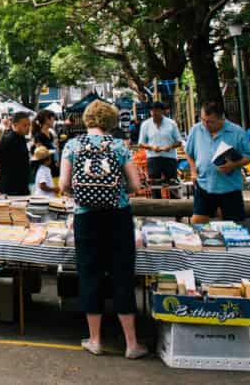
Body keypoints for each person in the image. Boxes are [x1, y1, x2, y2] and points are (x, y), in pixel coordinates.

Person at [59, 100, 147, 360]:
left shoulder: (73, 146)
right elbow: (135, 184)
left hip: (86, 218)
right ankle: (132, 344)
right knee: (122, 274)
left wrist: (85, 194)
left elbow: (64, 184)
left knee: (89, 273)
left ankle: (95, 340)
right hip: (117, 216)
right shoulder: (119, 146)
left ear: (86, 119)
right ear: (111, 121)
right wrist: (115, 191)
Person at [186, 101, 250, 223]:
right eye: (202, 119)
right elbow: (189, 153)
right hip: (204, 184)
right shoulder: (196, 130)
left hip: (230, 186)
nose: (205, 124)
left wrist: (234, 165)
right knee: (197, 221)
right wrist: (193, 171)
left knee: (235, 225)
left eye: (209, 121)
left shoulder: (237, 132)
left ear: (221, 118)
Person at [138, 102, 184, 199]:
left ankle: (176, 209)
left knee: (172, 185)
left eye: (157, 112)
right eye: (152, 112)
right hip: (153, 158)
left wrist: (169, 147)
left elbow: (179, 142)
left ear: (162, 111)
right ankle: (157, 208)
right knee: (155, 186)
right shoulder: (146, 125)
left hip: (169, 158)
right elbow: (141, 143)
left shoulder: (171, 123)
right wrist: (152, 147)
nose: (154, 114)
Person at [0, 112, 32, 196]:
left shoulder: (21, 137)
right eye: (25, 125)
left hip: (21, 185)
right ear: (16, 125)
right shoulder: (9, 138)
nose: (28, 127)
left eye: (29, 125)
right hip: (10, 187)